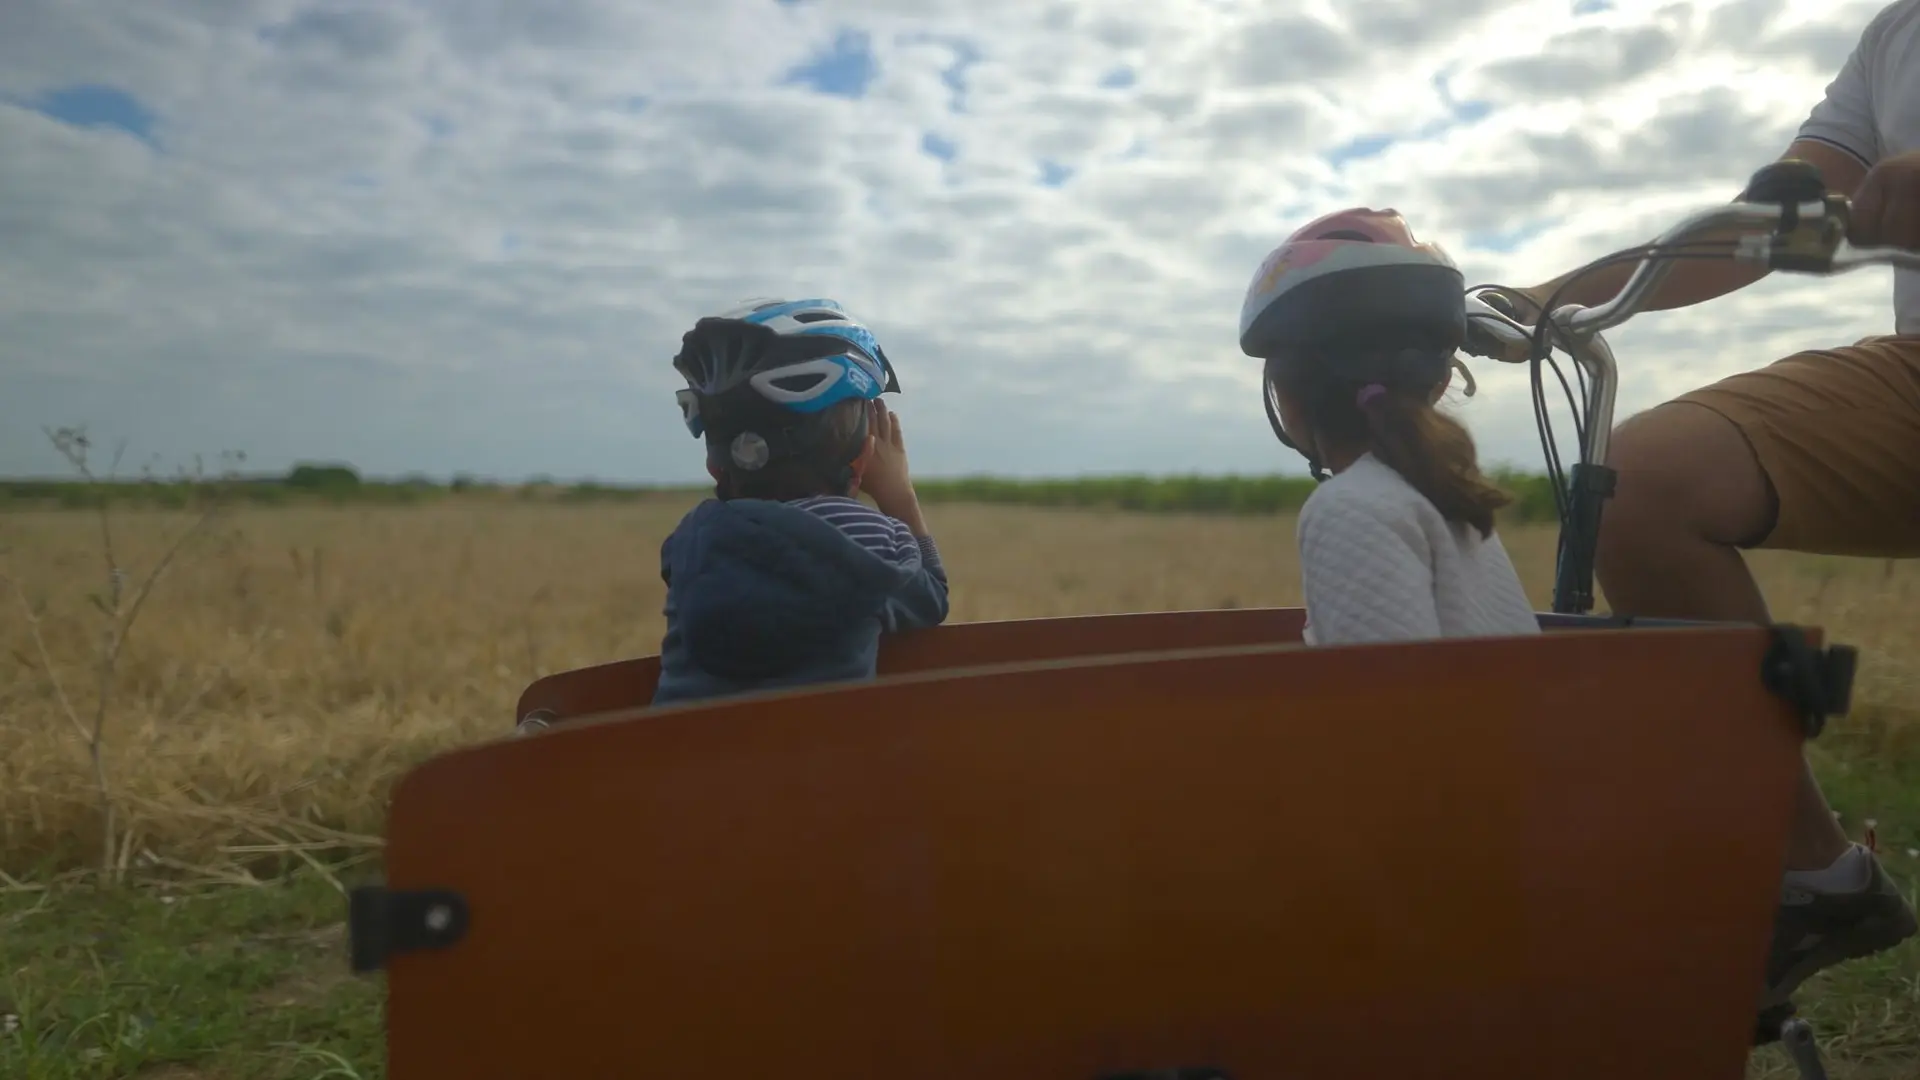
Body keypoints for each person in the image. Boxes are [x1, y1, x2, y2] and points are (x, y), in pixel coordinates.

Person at [1497, 0, 1920, 1020]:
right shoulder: (1894, 37)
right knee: (1647, 482)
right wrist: (1548, 299)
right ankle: (1823, 879)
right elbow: (1768, 222)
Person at [1237, 207, 1542, 645]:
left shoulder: (1348, 507)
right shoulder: (1450, 500)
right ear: (1439, 384)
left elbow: (1386, 707)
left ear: (1287, 397)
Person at [651, 297, 949, 707]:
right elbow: (931, 601)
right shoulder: (872, 540)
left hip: (681, 767)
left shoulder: (689, 545)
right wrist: (899, 495)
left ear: (715, 465)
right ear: (864, 456)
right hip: (822, 768)